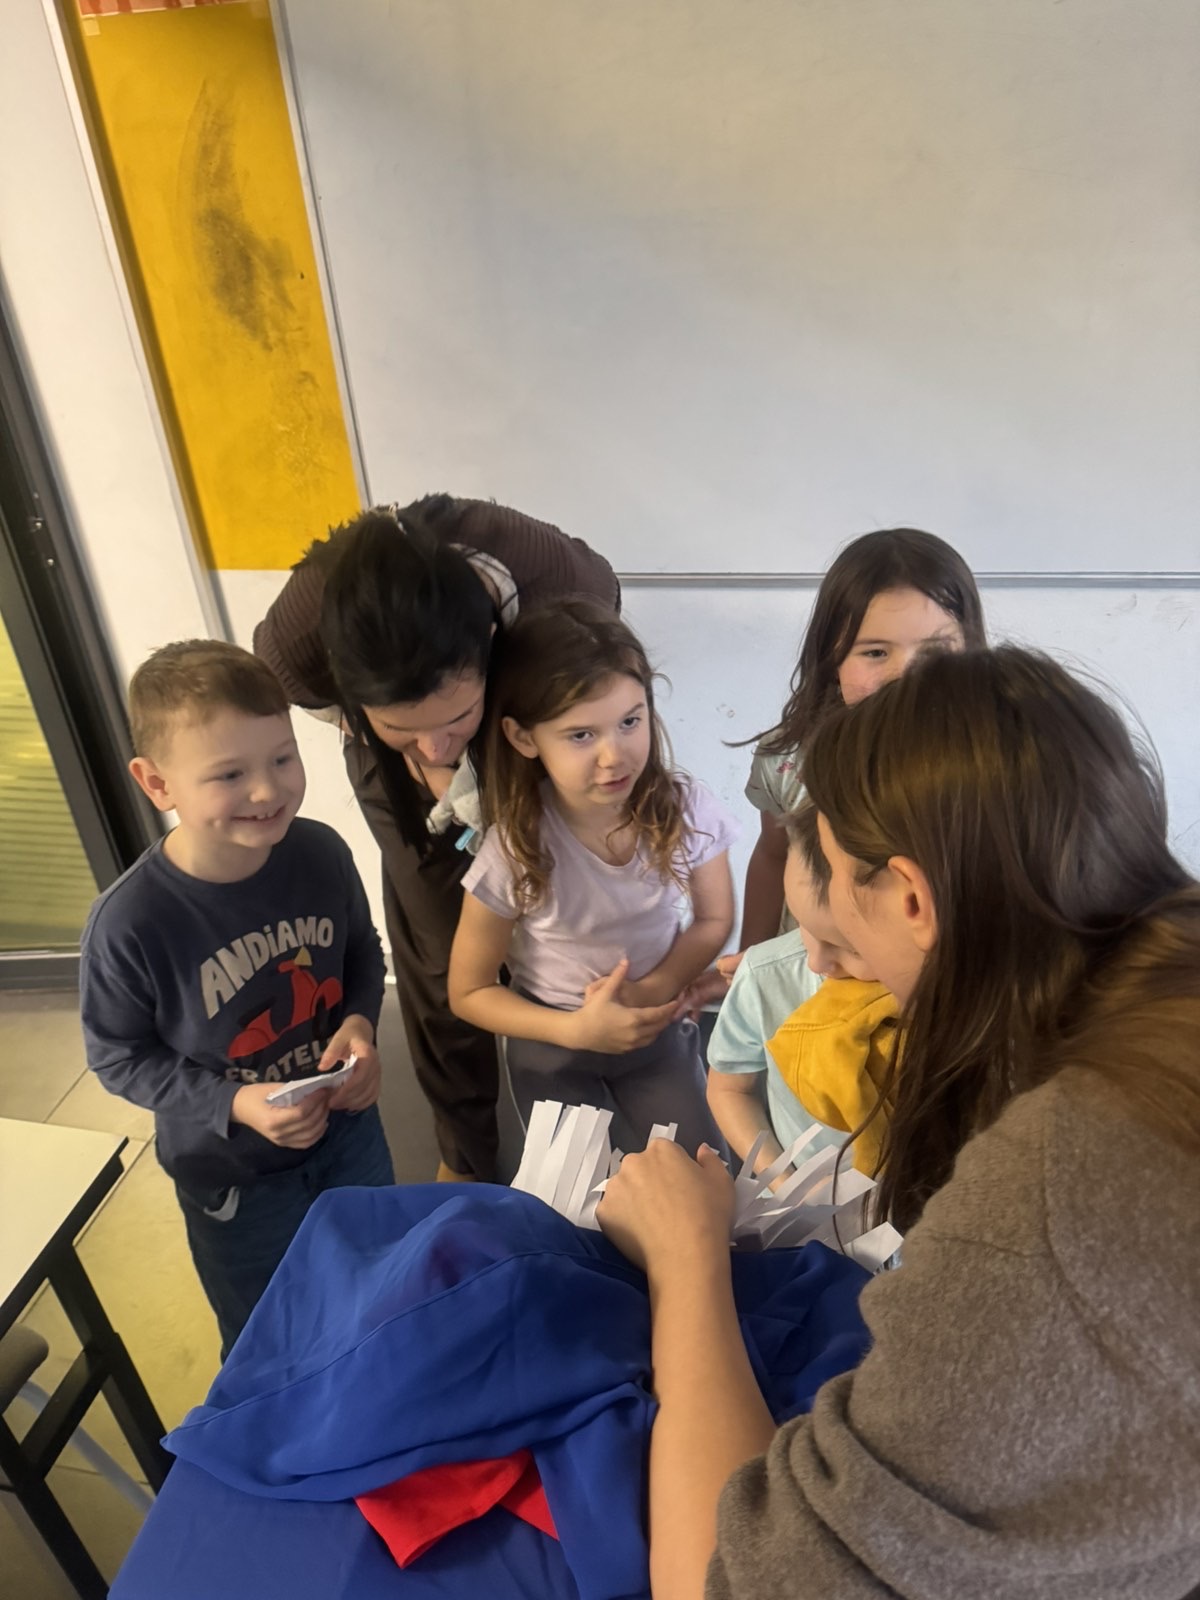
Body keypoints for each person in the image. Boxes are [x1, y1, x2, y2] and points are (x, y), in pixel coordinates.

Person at [597, 646, 1200, 1600]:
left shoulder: (1049, 1191)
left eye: (840, 910)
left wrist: (686, 1261)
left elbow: (727, 1581)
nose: (828, 962)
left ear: (913, 900)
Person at [253, 495, 619, 1182]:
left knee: (563, 902)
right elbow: (311, 696)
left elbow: (600, 657)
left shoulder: (557, 581)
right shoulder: (295, 639)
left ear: (489, 642)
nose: (434, 747)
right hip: (388, 748)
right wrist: (403, 748)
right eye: (406, 726)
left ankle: (586, 1111)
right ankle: (466, 1152)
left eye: (451, 719)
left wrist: (492, 747)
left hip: (520, 714)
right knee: (441, 947)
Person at [80, 641, 394, 1358]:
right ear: (156, 784)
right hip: (234, 1179)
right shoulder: (130, 922)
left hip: (348, 1135)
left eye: (283, 758)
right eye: (230, 773)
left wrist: (360, 1022)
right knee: (267, 1337)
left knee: (380, 1287)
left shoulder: (322, 853)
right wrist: (234, 1104)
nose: (266, 790)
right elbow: (118, 1057)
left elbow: (360, 953)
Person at [448, 600, 737, 1156]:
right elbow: (469, 991)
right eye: (581, 735)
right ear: (524, 738)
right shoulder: (513, 848)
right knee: (574, 1195)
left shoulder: (687, 809)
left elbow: (714, 918)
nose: (614, 756)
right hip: (553, 1041)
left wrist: (650, 989)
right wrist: (576, 1030)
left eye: (630, 721)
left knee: (703, 1171)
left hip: (654, 1025)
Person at [739, 527, 985, 949]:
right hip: (807, 967)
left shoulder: (989, 761)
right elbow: (773, 853)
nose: (905, 676)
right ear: (830, 658)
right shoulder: (788, 759)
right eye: (875, 652)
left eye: (935, 650)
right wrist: (751, 954)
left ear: (971, 650)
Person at [706, 800, 890, 1181]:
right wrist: (781, 1179)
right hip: (809, 1189)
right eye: (804, 925)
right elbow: (729, 1090)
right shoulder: (766, 976)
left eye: (850, 948)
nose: (816, 962)